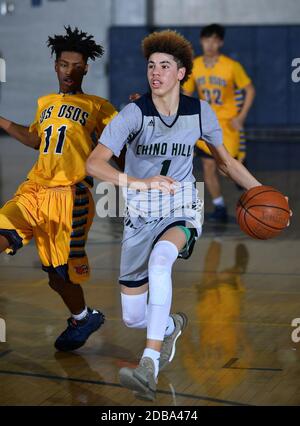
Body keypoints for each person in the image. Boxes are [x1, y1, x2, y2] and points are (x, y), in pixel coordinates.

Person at [86, 29, 262, 401]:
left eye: (165, 65)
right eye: (151, 65)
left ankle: (148, 364)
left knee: (162, 261)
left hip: (180, 203)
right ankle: (168, 327)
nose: (156, 72)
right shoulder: (133, 113)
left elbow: (226, 163)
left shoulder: (200, 112)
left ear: (181, 73)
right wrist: (137, 182)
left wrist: (261, 192)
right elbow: (94, 163)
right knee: (135, 316)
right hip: (139, 210)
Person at [0, 26, 118, 351]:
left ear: (86, 69)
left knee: (59, 276)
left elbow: (121, 143)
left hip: (71, 197)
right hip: (33, 190)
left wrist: (136, 115)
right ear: (56, 66)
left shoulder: (98, 106)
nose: (70, 71)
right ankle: (82, 317)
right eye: (64, 64)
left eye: (77, 66)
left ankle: (83, 317)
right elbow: (37, 139)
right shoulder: (45, 102)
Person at [183, 24, 256, 222]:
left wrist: (241, 117)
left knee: (228, 169)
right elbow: (187, 93)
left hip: (227, 126)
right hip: (206, 124)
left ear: (220, 42)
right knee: (208, 166)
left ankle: (247, 189)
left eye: (215, 40)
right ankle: (219, 206)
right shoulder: (195, 65)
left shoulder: (231, 66)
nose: (210, 44)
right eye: (207, 39)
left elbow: (250, 90)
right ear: (201, 41)